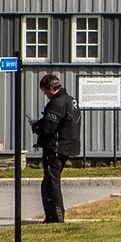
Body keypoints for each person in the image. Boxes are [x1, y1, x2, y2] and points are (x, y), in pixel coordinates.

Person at [32, 73, 80, 223]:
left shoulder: (56, 103)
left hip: (55, 148)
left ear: (51, 88)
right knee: (50, 181)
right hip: (68, 146)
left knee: (52, 182)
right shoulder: (71, 100)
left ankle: (56, 216)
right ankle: (52, 215)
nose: (45, 94)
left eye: (45, 91)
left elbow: (48, 128)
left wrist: (36, 126)